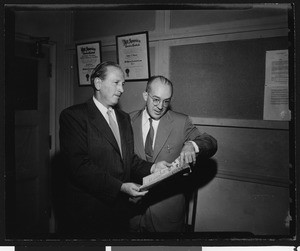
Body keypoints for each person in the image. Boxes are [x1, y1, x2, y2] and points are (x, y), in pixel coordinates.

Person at [58, 62, 170, 236]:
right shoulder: (74, 117)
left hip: (119, 213)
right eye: (116, 83)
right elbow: (79, 167)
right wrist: (120, 187)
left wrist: (153, 167)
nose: (122, 89)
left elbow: (128, 160)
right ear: (98, 83)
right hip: (88, 214)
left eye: (123, 84)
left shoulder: (123, 118)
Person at [129, 75, 218, 232]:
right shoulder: (128, 120)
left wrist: (192, 145)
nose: (160, 106)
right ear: (145, 96)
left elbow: (210, 141)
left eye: (166, 101)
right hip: (133, 209)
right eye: (155, 99)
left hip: (166, 213)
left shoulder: (180, 122)